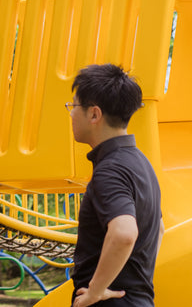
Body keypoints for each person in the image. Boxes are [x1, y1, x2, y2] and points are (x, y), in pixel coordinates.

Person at [66, 64, 164, 307]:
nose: (70, 113)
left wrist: (95, 291)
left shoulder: (109, 170)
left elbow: (124, 233)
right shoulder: (141, 162)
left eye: (74, 106)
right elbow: (159, 228)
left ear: (94, 114)